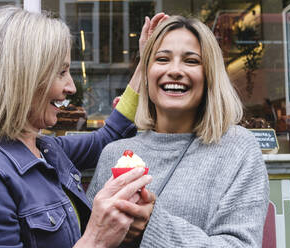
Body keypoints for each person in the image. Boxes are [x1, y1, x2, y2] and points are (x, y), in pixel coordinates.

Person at [0, 6, 166, 248]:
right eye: (61, 72)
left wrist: (144, 61)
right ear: (22, 78)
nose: (71, 87)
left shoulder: (46, 150)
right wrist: (96, 239)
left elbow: (107, 137)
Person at [87, 15, 269, 247]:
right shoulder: (115, 154)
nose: (175, 70)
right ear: (147, 73)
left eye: (191, 61)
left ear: (209, 75)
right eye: (162, 59)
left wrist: (151, 226)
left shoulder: (239, 150)